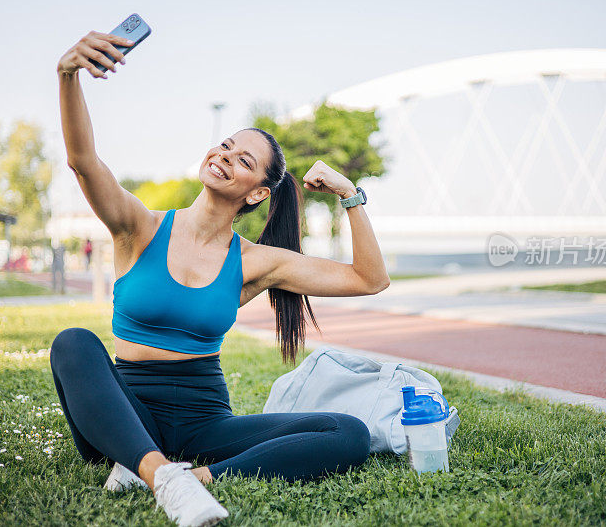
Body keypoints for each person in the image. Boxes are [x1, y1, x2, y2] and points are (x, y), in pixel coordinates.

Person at [53, 30, 390, 526]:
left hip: (204, 423)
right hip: (123, 417)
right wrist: (68, 75)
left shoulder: (254, 261)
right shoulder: (139, 227)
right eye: (226, 146)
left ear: (255, 194)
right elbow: (83, 162)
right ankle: (159, 473)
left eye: (243, 160)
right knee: (73, 343)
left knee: (348, 433)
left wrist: (349, 193)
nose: (225, 155)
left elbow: (369, 279)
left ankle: (191, 477)